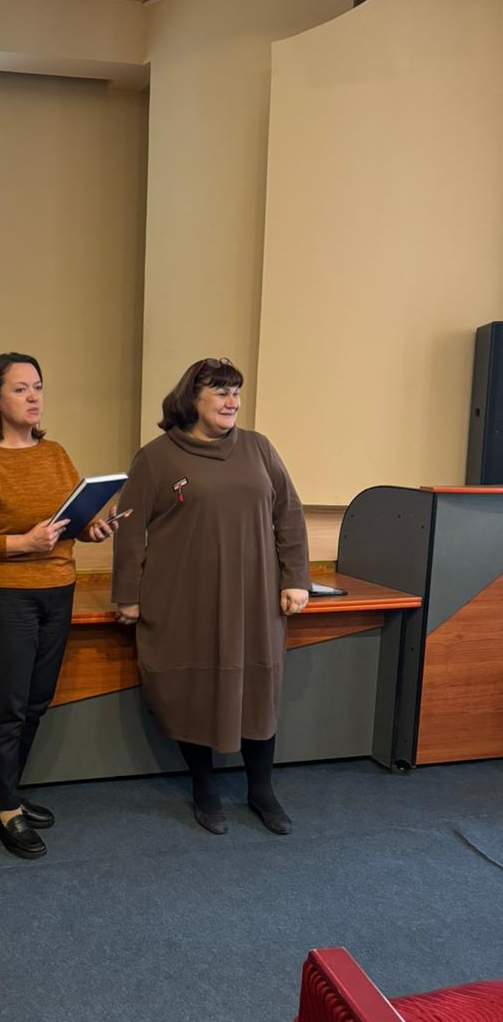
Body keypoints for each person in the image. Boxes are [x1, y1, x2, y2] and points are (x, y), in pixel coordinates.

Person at [111, 357, 310, 836]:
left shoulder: (259, 448)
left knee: (259, 689)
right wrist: (128, 595)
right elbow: (130, 530)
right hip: (186, 599)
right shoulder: (156, 457)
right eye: (220, 391)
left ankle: (261, 791)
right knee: (194, 688)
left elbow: (288, 513)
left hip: (255, 597)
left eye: (236, 392)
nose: (231, 401)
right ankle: (205, 789)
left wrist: (296, 578)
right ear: (191, 398)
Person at [0, 353, 118, 859]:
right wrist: (22, 544)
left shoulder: (56, 454)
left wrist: (93, 529)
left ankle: (5, 795)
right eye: (20, 389)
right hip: (3, 595)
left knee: (36, 701)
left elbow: (69, 520)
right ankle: (3, 808)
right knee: (10, 705)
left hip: (57, 588)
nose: (33, 396)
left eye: (37, 386)